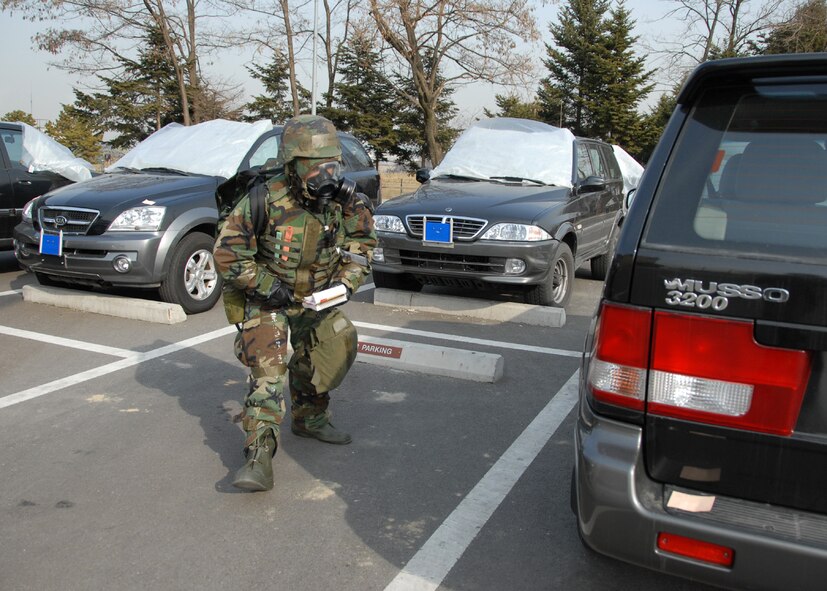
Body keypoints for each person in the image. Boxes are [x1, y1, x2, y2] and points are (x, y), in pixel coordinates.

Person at [213, 115, 377, 492]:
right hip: (269, 299)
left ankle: (310, 418)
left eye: (332, 163)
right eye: (315, 166)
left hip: (317, 298)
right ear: (292, 165)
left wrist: (344, 285)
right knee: (269, 373)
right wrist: (268, 286)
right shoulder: (262, 198)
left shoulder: (347, 201)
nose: (327, 174)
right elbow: (227, 254)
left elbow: (363, 247)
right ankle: (258, 454)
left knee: (331, 345)